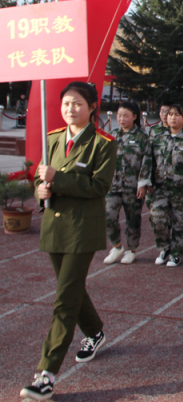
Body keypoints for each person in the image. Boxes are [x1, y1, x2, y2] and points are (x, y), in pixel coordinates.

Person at [23, 82, 117, 400]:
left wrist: (57, 179)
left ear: (92, 107)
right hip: (54, 226)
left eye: (77, 103)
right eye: (66, 103)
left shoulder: (103, 143)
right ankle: (95, 331)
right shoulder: (52, 138)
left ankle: (46, 375)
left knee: (64, 299)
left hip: (82, 229)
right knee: (71, 288)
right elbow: (42, 179)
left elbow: (99, 186)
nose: (70, 109)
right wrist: (41, 191)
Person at [148, 104, 183, 267]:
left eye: (177, 115)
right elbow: (149, 161)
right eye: (170, 114)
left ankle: (176, 253)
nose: (172, 118)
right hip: (160, 187)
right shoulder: (158, 139)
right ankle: (164, 247)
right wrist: (147, 181)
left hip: (180, 189)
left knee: (179, 223)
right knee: (157, 218)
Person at [103, 102, 151, 265]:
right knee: (108, 216)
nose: (122, 119)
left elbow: (147, 161)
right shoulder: (112, 135)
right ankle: (116, 246)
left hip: (133, 187)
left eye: (126, 115)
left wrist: (142, 183)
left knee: (133, 219)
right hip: (113, 184)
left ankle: (131, 249)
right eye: (119, 115)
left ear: (134, 117)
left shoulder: (142, 137)